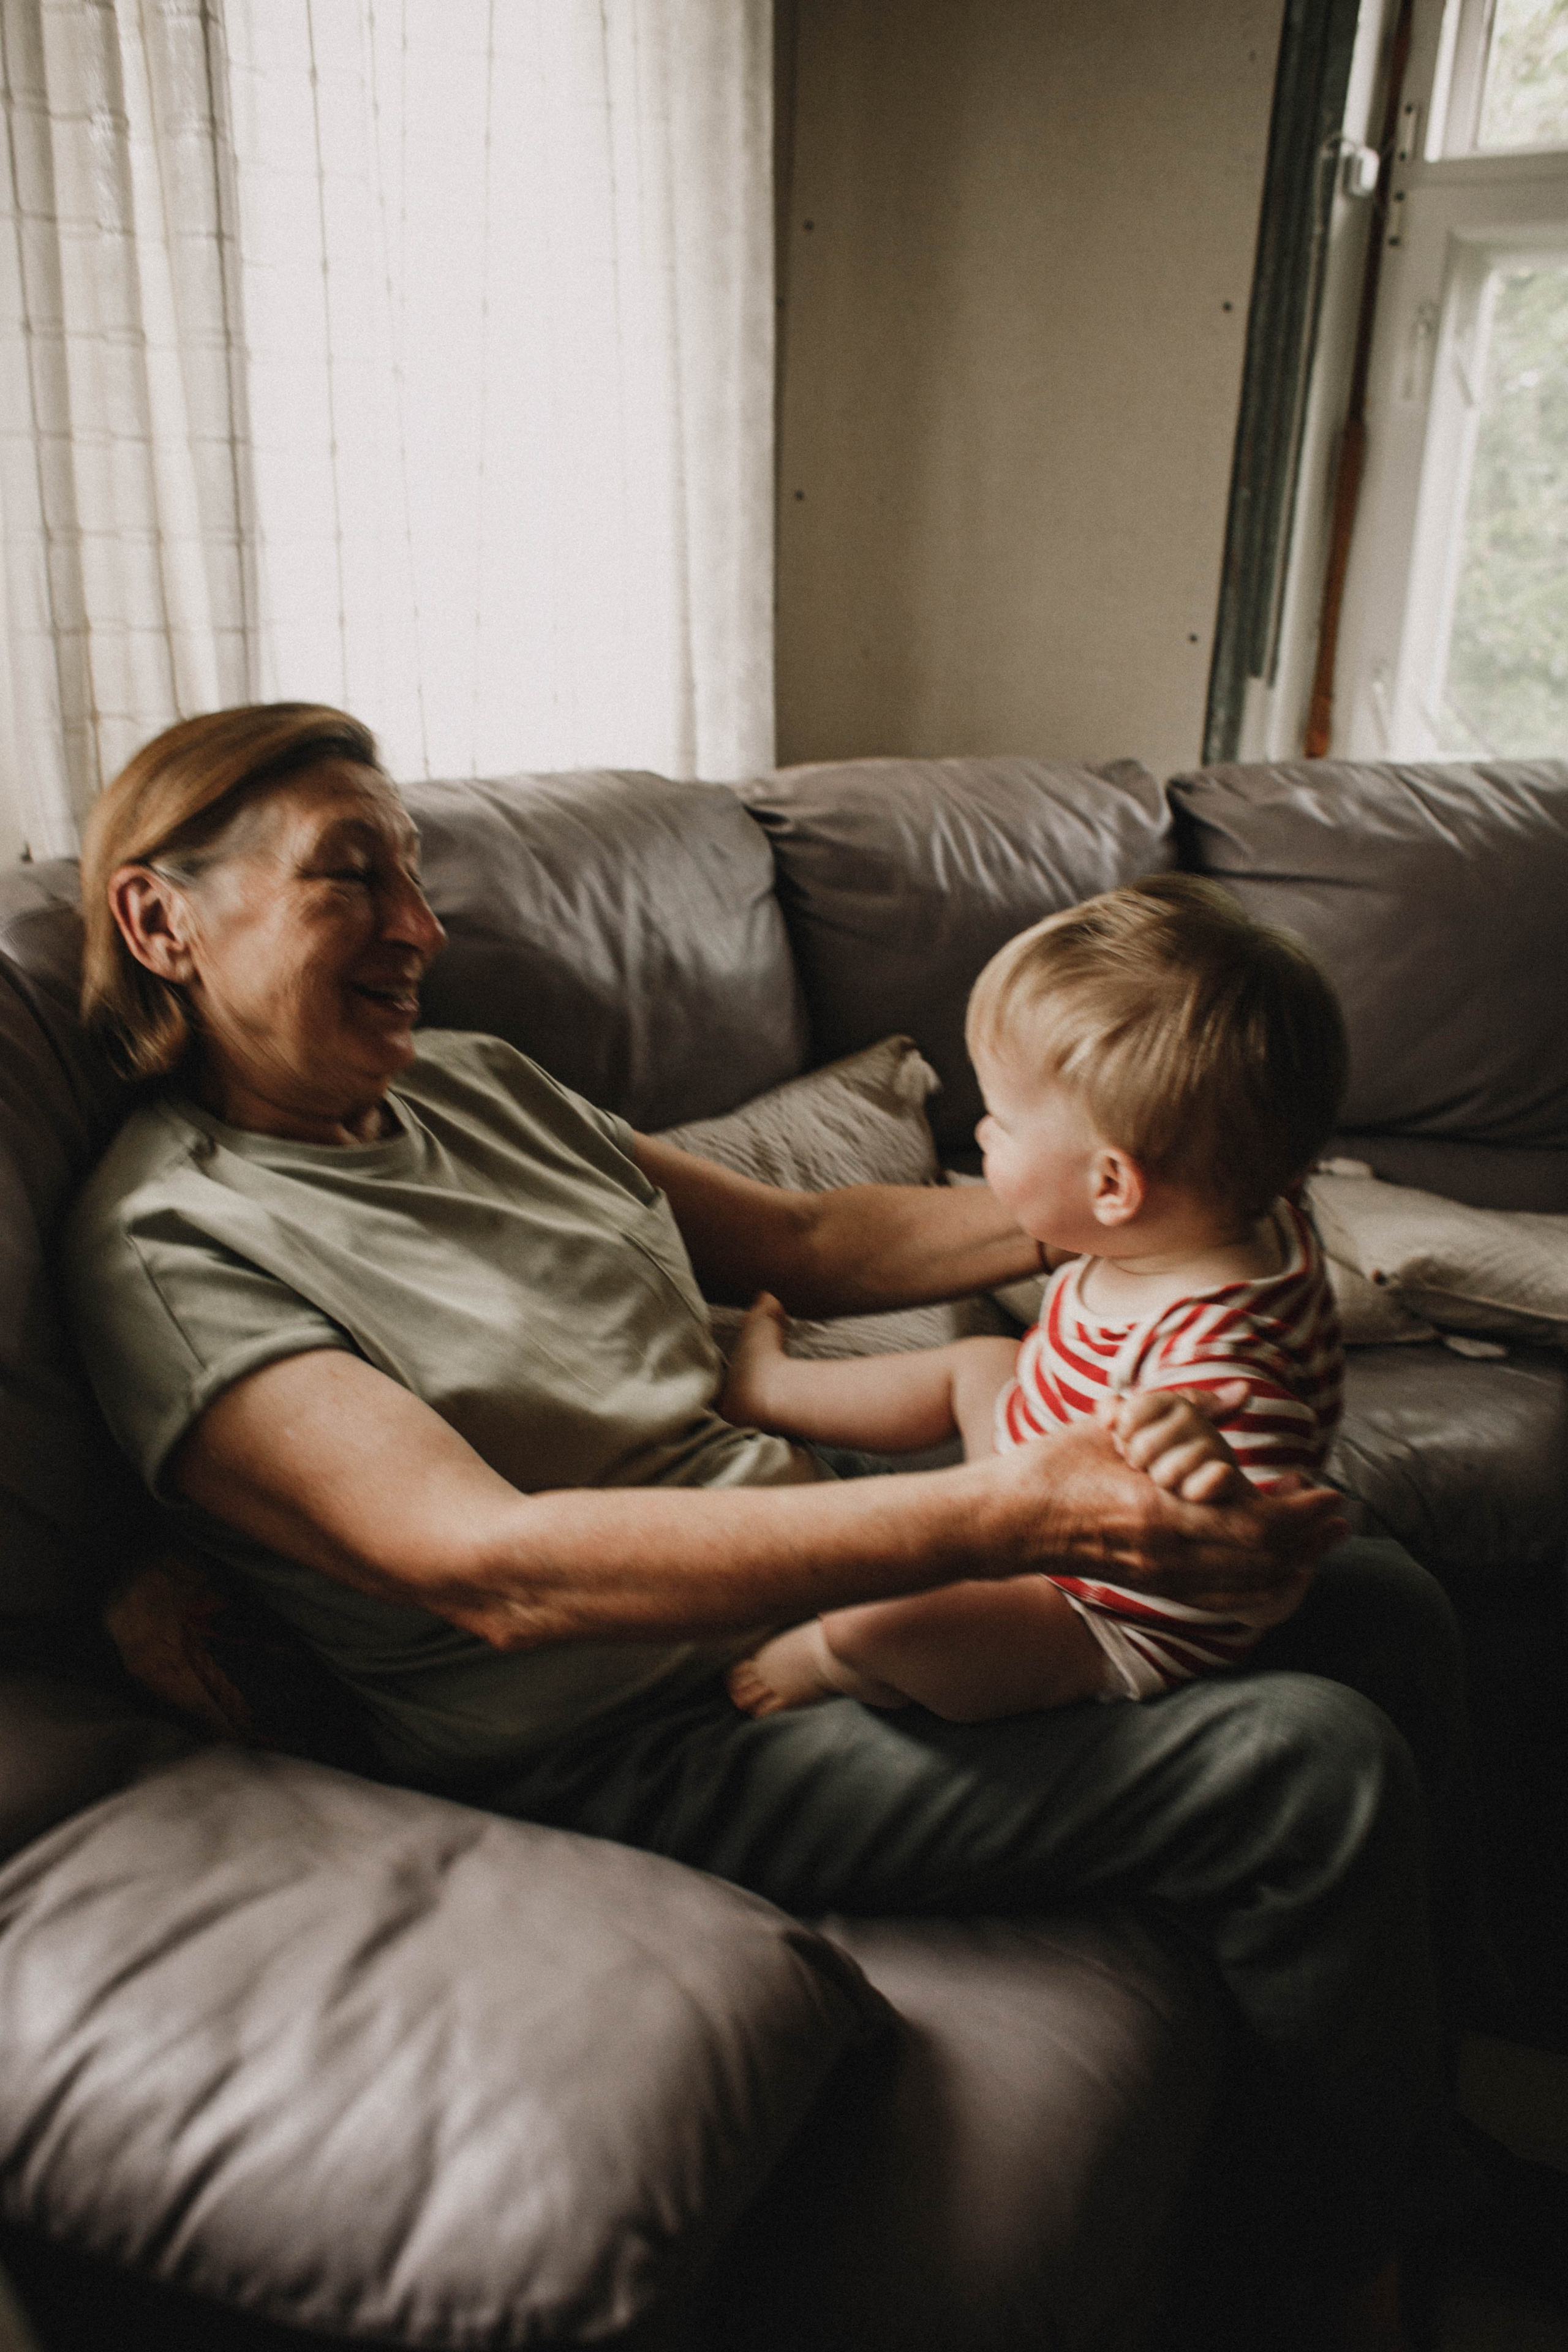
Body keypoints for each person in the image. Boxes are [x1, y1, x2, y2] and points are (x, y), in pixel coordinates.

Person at [65, 703, 1477, 2347]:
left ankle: (1406, 2132)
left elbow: (806, 1241)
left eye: (415, 874)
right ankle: (1336, 2273)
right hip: (637, 1730)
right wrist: (1005, 1509)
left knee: (1379, 1595)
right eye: (349, 876)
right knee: (1306, 1767)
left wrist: (1178, 1189)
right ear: (160, 920)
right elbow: (488, 1569)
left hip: (803, 1563)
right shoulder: (178, 1245)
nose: (420, 929)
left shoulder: (476, 1086)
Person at [723, 876, 1347, 1722]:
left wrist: (1216, 1487)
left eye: (1002, 1122)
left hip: (1087, 1611)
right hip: (1040, 1485)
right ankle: (772, 1389)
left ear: (1113, 1186)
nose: (981, 1133)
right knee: (986, 1364)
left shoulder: (1217, 1364)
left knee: (870, 1610)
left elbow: (1259, 1578)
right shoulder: (1228, 1216)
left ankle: (837, 1664)